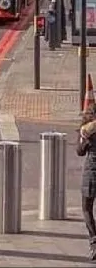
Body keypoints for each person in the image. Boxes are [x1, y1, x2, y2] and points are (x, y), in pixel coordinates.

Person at [77, 106, 96, 259]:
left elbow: (80, 151)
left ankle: (94, 241)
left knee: (87, 208)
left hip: (91, 172)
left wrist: (84, 139)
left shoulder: (87, 131)